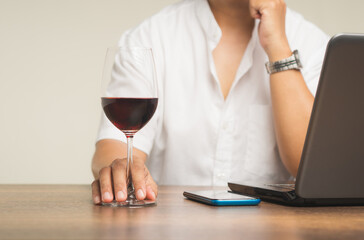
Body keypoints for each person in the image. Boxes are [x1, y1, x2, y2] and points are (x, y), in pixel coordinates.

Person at [91, 0, 329, 204]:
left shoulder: (313, 44)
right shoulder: (151, 36)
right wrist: (119, 171)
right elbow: (113, 147)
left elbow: (311, 169)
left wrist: (279, 49)